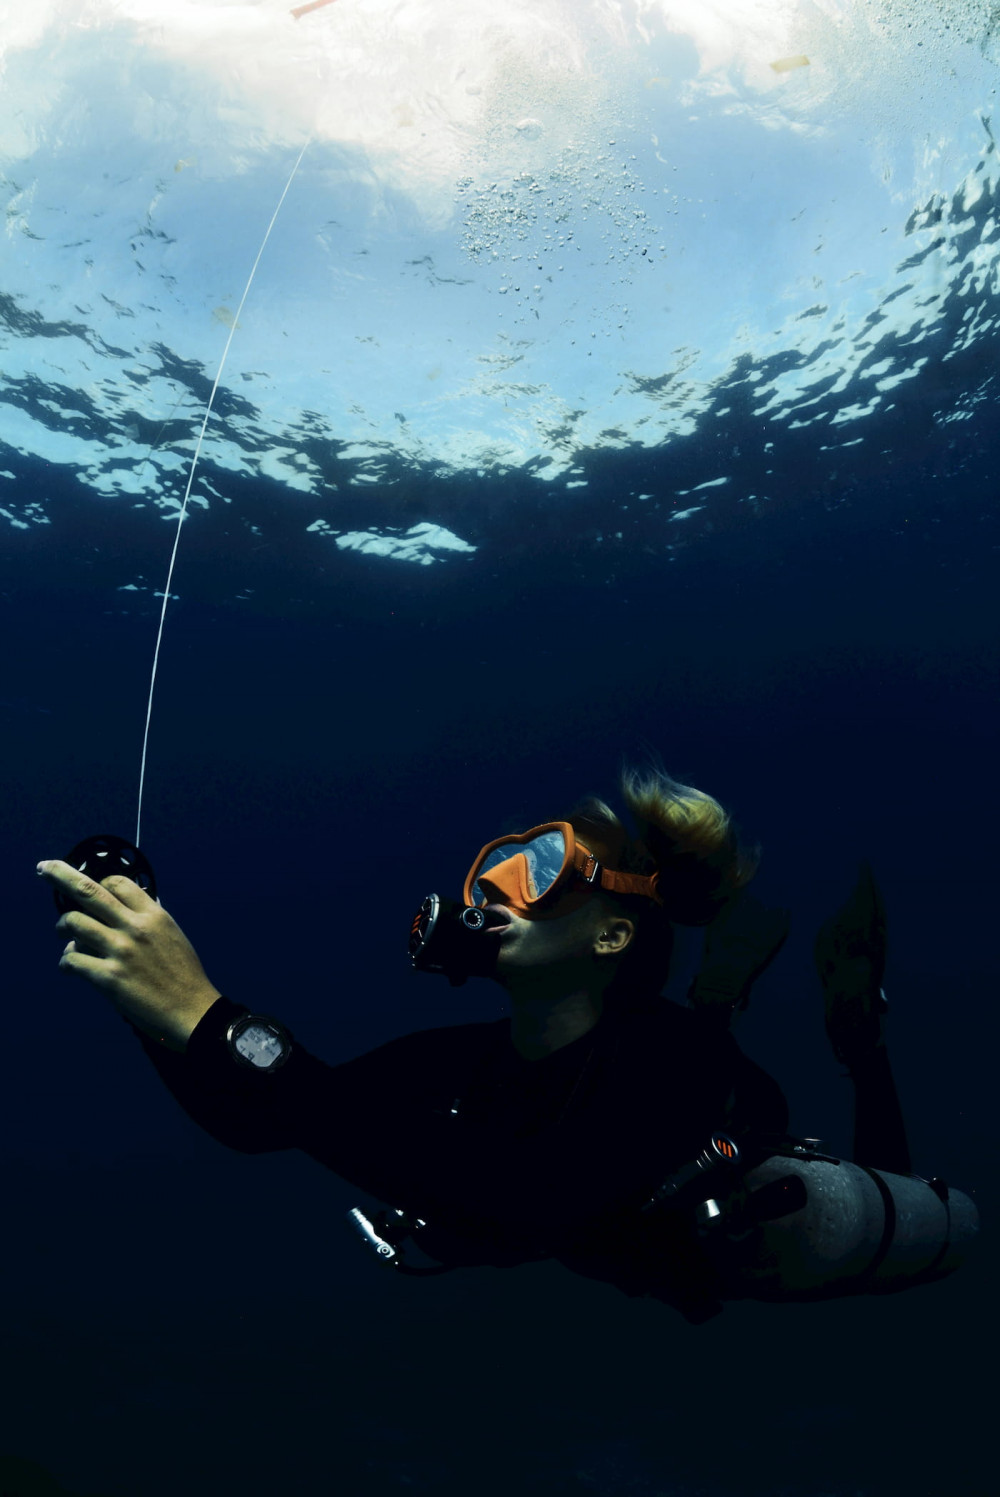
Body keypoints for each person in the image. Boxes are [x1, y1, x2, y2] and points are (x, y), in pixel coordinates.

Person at [37, 764, 923, 1321]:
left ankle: (859, 1040)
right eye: (495, 867)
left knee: (906, 1212)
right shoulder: (460, 1058)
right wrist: (142, 991)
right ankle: (724, 988)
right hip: (622, 1182)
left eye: (538, 870)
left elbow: (526, 1199)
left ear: (612, 935)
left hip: (738, 1208)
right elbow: (264, 1118)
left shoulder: (675, 1064)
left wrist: (206, 1013)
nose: (494, 888)